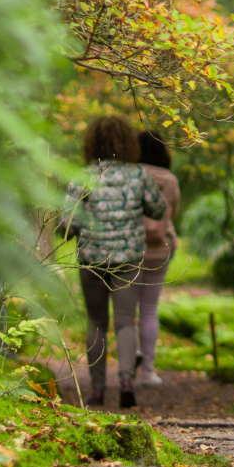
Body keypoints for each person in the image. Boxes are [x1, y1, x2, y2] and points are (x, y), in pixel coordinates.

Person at [64, 115, 166, 409]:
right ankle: (125, 382)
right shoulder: (138, 175)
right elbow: (158, 210)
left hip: (91, 259)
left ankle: (97, 390)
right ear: (127, 143)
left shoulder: (82, 176)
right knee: (125, 323)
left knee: (96, 323)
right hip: (129, 259)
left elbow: (66, 222)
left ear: (91, 142)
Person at [136, 129, 181, 387]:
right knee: (149, 308)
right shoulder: (170, 180)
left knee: (127, 308)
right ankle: (147, 372)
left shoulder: (131, 175)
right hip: (161, 248)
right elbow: (172, 213)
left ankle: (128, 367)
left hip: (130, 247)